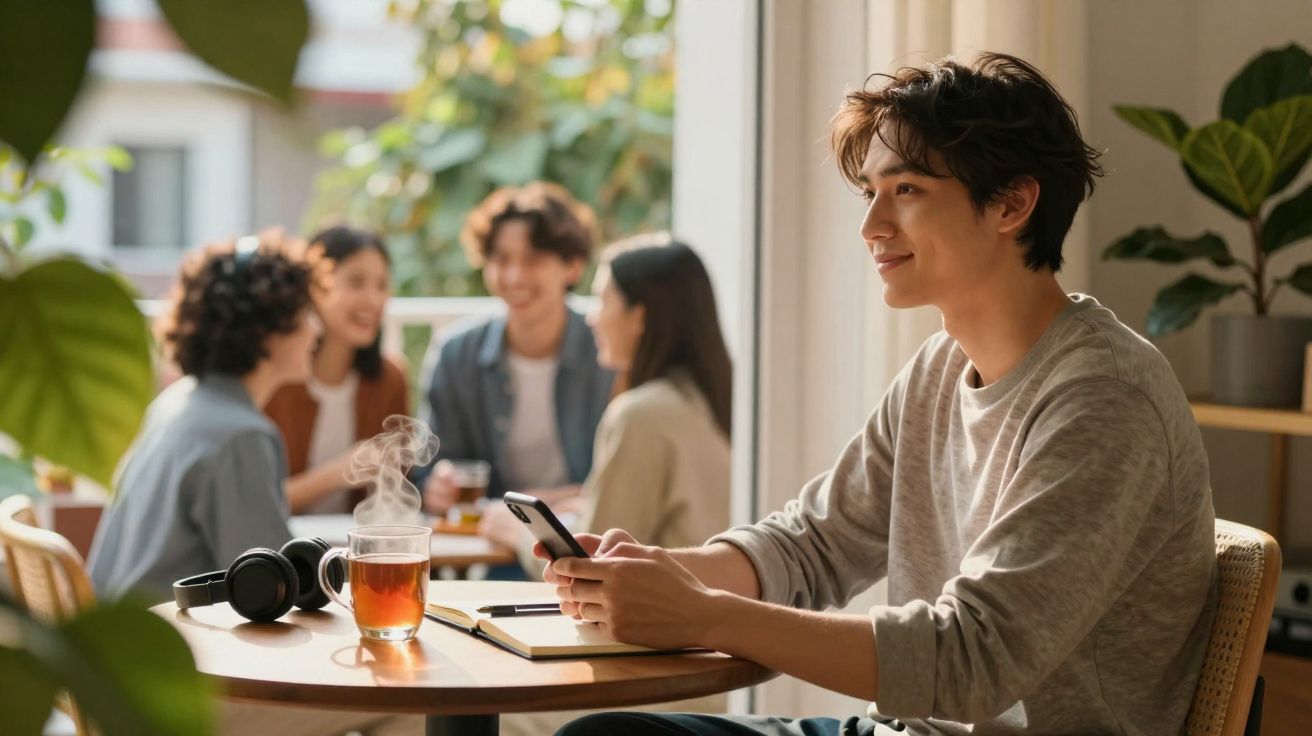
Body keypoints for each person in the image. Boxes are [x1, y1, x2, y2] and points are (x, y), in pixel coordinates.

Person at [544, 53, 1218, 736]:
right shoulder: (937, 368)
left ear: (1012, 203)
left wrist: (702, 614)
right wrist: (661, 573)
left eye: (907, 190)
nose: (871, 227)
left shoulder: (1103, 397)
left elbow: (971, 660)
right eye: (870, 192)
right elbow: (815, 544)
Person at [87, 234, 421, 736]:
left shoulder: (181, 404)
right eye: (306, 313)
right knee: (412, 701)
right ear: (267, 330)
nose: (315, 329)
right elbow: (272, 596)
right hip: (171, 705)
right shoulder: (241, 435)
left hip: (118, 684)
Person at [481, 234, 733, 554]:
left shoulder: (641, 415)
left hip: (659, 601)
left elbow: (594, 562)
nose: (592, 317)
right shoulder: (713, 396)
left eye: (602, 300)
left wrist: (517, 534)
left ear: (639, 316)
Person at [419, 182, 613, 516]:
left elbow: (625, 480)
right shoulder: (456, 354)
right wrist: (435, 486)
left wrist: (545, 502)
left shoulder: (607, 348)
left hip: (592, 540)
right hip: (492, 547)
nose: (514, 276)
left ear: (573, 266)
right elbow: (431, 468)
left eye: (533, 259)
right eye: (501, 258)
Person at [264, 226, 408, 515]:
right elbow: (254, 504)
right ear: (315, 288)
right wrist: (339, 472)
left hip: (354, 554)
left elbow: (400, 494)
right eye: (356, 283)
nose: (373, 299)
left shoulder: (389, 380)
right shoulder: (274, 380)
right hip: (281, 553)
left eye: (381, 286)